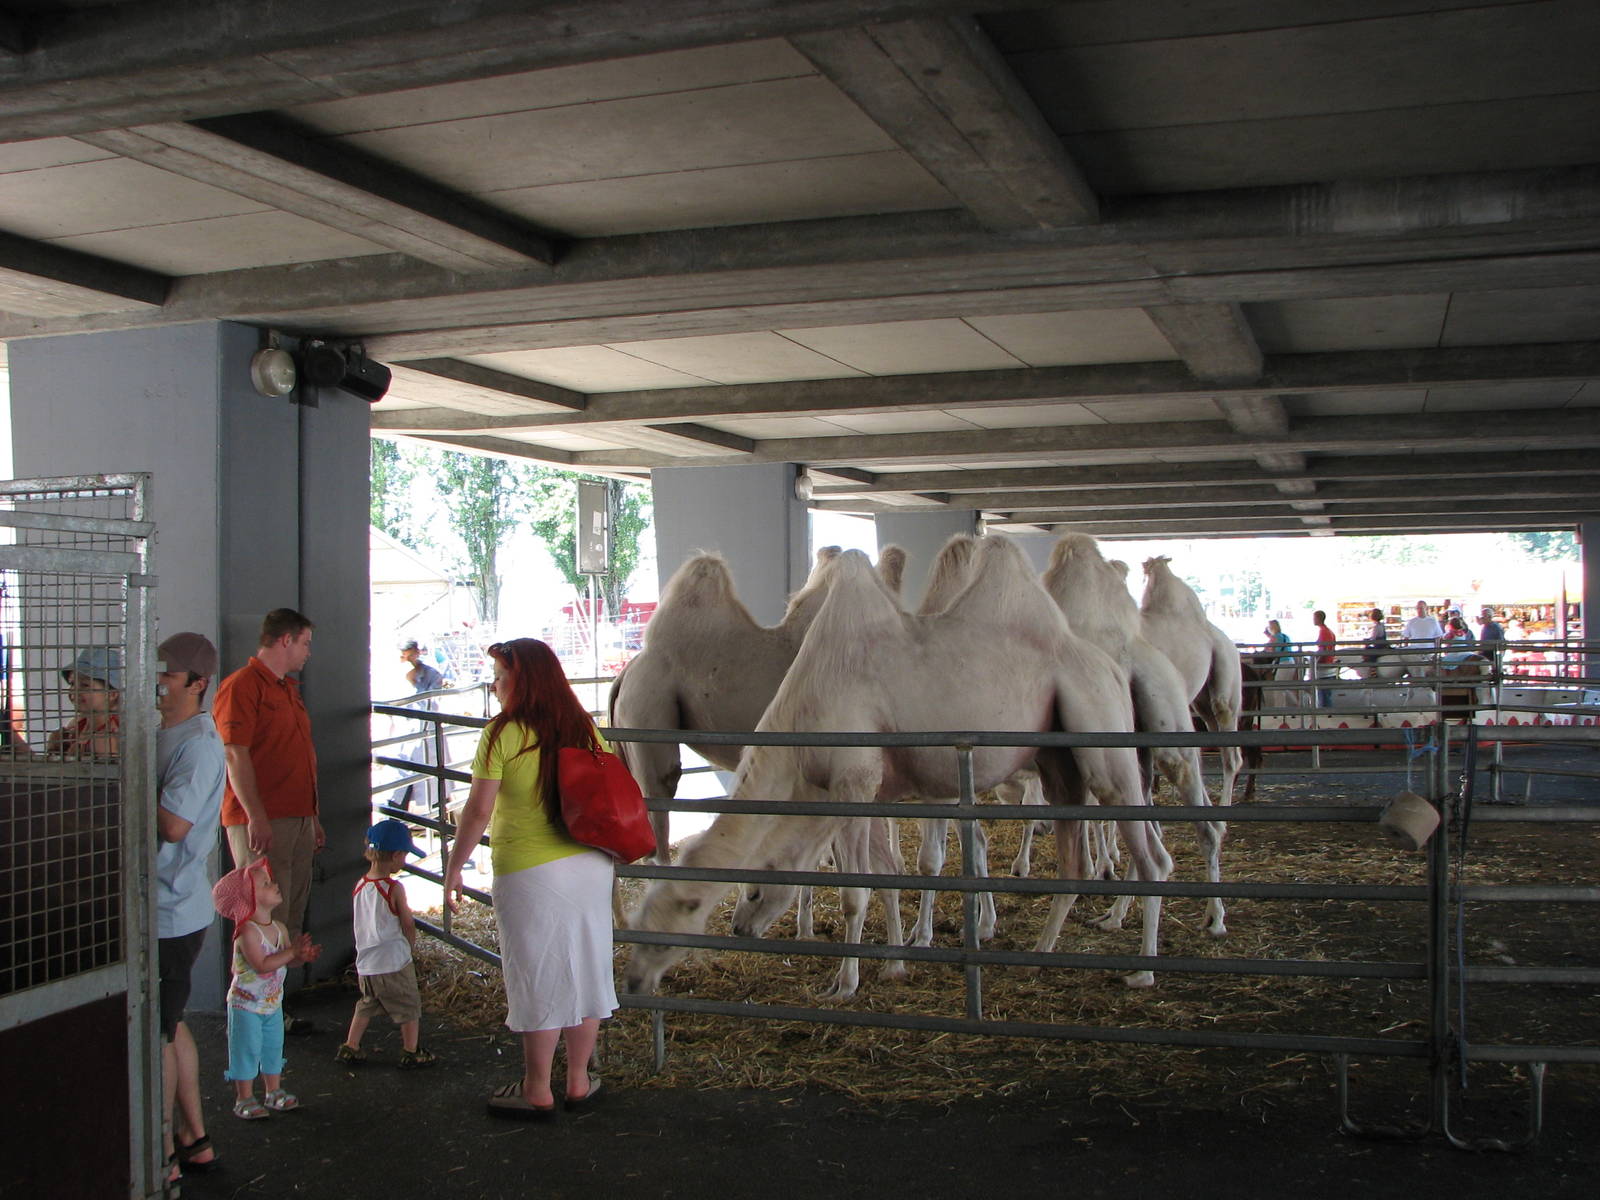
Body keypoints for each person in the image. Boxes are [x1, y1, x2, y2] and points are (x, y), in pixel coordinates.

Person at [443, 638, 617, 1120]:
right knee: (586, 969)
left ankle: (537, 1088)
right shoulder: (583, 728)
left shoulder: (502, 733)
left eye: (500, 675)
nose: (494, 685)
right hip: (589, 865)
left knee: (537, 973)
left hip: (529, 872)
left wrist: (455, 865)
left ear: (524, 679)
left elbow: (478, 811)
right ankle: (579, 1081)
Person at [214, 608, 322, 1032]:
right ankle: (248, 1010)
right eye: (306, 643)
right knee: (259, 919)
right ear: (286, 640)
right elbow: (234, 753)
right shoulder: (242, 687)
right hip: (264, 820)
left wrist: (312, 816)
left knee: (287, 913)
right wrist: (255, 816)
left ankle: (274, 1005)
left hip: (294, 817)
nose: (308, 652)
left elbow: (298, 757)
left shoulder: (284, 689)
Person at [154, 633, 226, 1183]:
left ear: (197, 684)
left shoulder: (199, 745)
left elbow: (175, 825)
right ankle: (192, 1138)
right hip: (165, 904)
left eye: (169, 674)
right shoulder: (165, 733)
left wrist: (116, 779)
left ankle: (159, 1156)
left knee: (155, 1031)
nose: (159, 682)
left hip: (171, 909)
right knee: (169, 1025)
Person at [212, 859, 321, 1119]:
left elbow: (285, 959)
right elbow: (262, 965)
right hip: (245, 1005)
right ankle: (245, 1097)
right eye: (266, 883)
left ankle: (274, 1091)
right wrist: (291, 952)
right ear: (250, 897)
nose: (275, 885)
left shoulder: (278, 928)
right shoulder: (247, 932)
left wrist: (300, 956)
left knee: (273, 1047)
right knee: (246, 1049)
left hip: (272, 1003)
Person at [336, 819, 437, 1069]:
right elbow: (407, 922)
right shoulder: (394, 888)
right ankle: (411, 1050)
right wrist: (410, 947)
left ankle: (351, 1046)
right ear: (395, 856)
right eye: (404, 856)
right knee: (409, 1005)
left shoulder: (360, 885)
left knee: (367, 1003)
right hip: (394, 961)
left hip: (367, 963)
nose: (404, 862)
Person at [396, 640, 446, 812]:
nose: (408, 659)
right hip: (402, 733)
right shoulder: (396, 675)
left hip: (425, 731)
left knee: (434, 781)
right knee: (399, 782)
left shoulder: (432, 675)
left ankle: (440, 823)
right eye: (404, 656)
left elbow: (432, 702)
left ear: (417, 653)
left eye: (411, 655)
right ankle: (396, 819)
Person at [48, 646, 122, 758]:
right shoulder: (78, 724)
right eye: (72, 683)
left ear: (112, 694)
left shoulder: (106, 739)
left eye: (85, 685)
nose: (74, 690)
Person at [1311, 611, 1338, 708]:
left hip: (1324, 666)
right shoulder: (1328, 631)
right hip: (1328, 664)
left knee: (1323, 695)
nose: (1313, 620)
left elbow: (1323, 649)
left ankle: (1325, 715)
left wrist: (1315, 663)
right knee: (1325, 694)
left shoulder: (1324, 631)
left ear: (1318, 618)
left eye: (1314, 618)